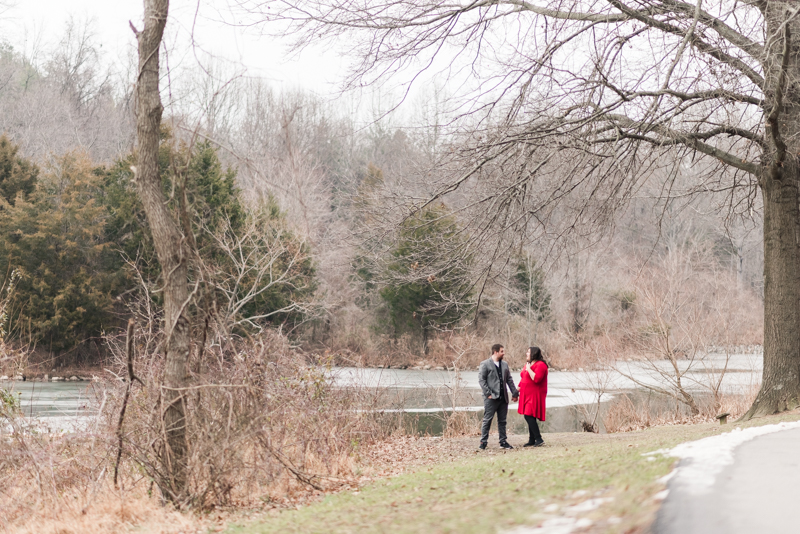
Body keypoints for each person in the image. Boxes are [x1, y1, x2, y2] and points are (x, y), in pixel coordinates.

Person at [478, 343, 519, 450]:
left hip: (503, 398)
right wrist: (488, 394)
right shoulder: (485, 364)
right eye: (502, 351)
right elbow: (482, 380)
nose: (503, 353)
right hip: (491, 399)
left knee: (502, 421)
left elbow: (509, 380)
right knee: (487, 420)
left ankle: (503, 441)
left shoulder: (505, 364)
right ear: (495, 352)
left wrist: (514, 393)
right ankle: (483, 442)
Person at [518, 346, 548, 447]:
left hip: (536, 394)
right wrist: (515, 391)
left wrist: (529, 369)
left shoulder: (541, 365)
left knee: (528, 415)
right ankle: (532, 440)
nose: (526, 354)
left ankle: (539, 439)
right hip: (526, 394)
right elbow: (523, 378)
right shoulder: (528, 364)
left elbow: (537, 379)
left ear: (534, 354)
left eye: (528, 352)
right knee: (530, 415)